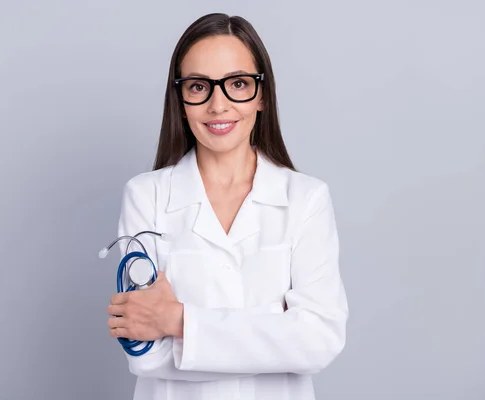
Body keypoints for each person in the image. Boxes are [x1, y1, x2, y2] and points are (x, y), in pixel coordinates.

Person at [106, 13, 349, 400]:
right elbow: (146, 356)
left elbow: (319, 340)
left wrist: (177, 320)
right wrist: (273, 331)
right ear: (180, 99)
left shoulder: (306, 199)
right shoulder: (145, 196)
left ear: (262, 95)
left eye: (237, 84)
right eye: (199, 86)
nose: (218, 105)